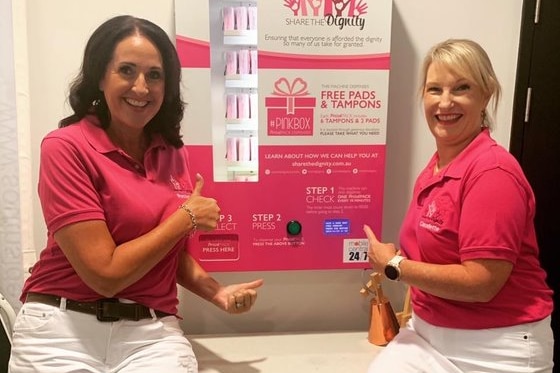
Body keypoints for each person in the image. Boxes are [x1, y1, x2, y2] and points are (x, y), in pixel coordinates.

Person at [8, 15, 263, 373]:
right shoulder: (65, 147)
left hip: (152, 334)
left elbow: (165, 255)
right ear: (100, 77)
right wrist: (186, 219)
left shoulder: (172, 153)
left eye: (154, 75)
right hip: (62, 330)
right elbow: (104, 275)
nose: (141, 88)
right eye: (126, 70)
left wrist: (216, 292)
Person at [364, 39, 554, 373]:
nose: (445, 102)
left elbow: (482, 283)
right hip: (426, 335)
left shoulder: (492, 172)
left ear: (486, 94)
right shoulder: (439, 166)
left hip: (495, 350)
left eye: (461, 88)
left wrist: (394, 264)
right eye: (434, 89)